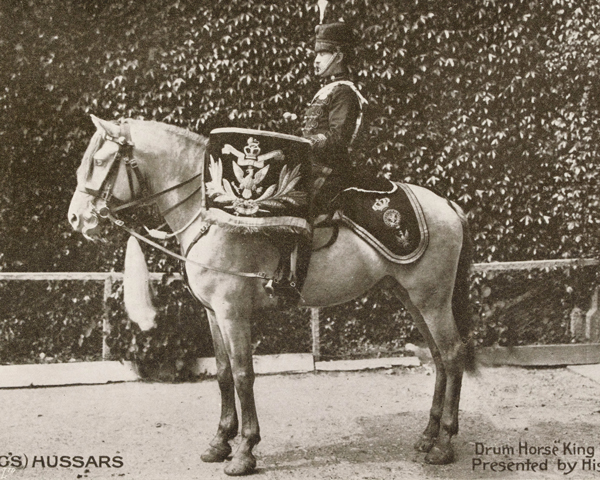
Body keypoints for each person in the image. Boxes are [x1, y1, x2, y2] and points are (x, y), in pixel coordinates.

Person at [300, 21, 369, 213]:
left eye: (322, 54)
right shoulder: (329, 90)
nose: (316, 60)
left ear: (338, 56)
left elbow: (338, 137)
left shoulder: (345, 92)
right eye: (316, 54)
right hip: (314, 166)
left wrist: (305, 142)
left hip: (330, 172)